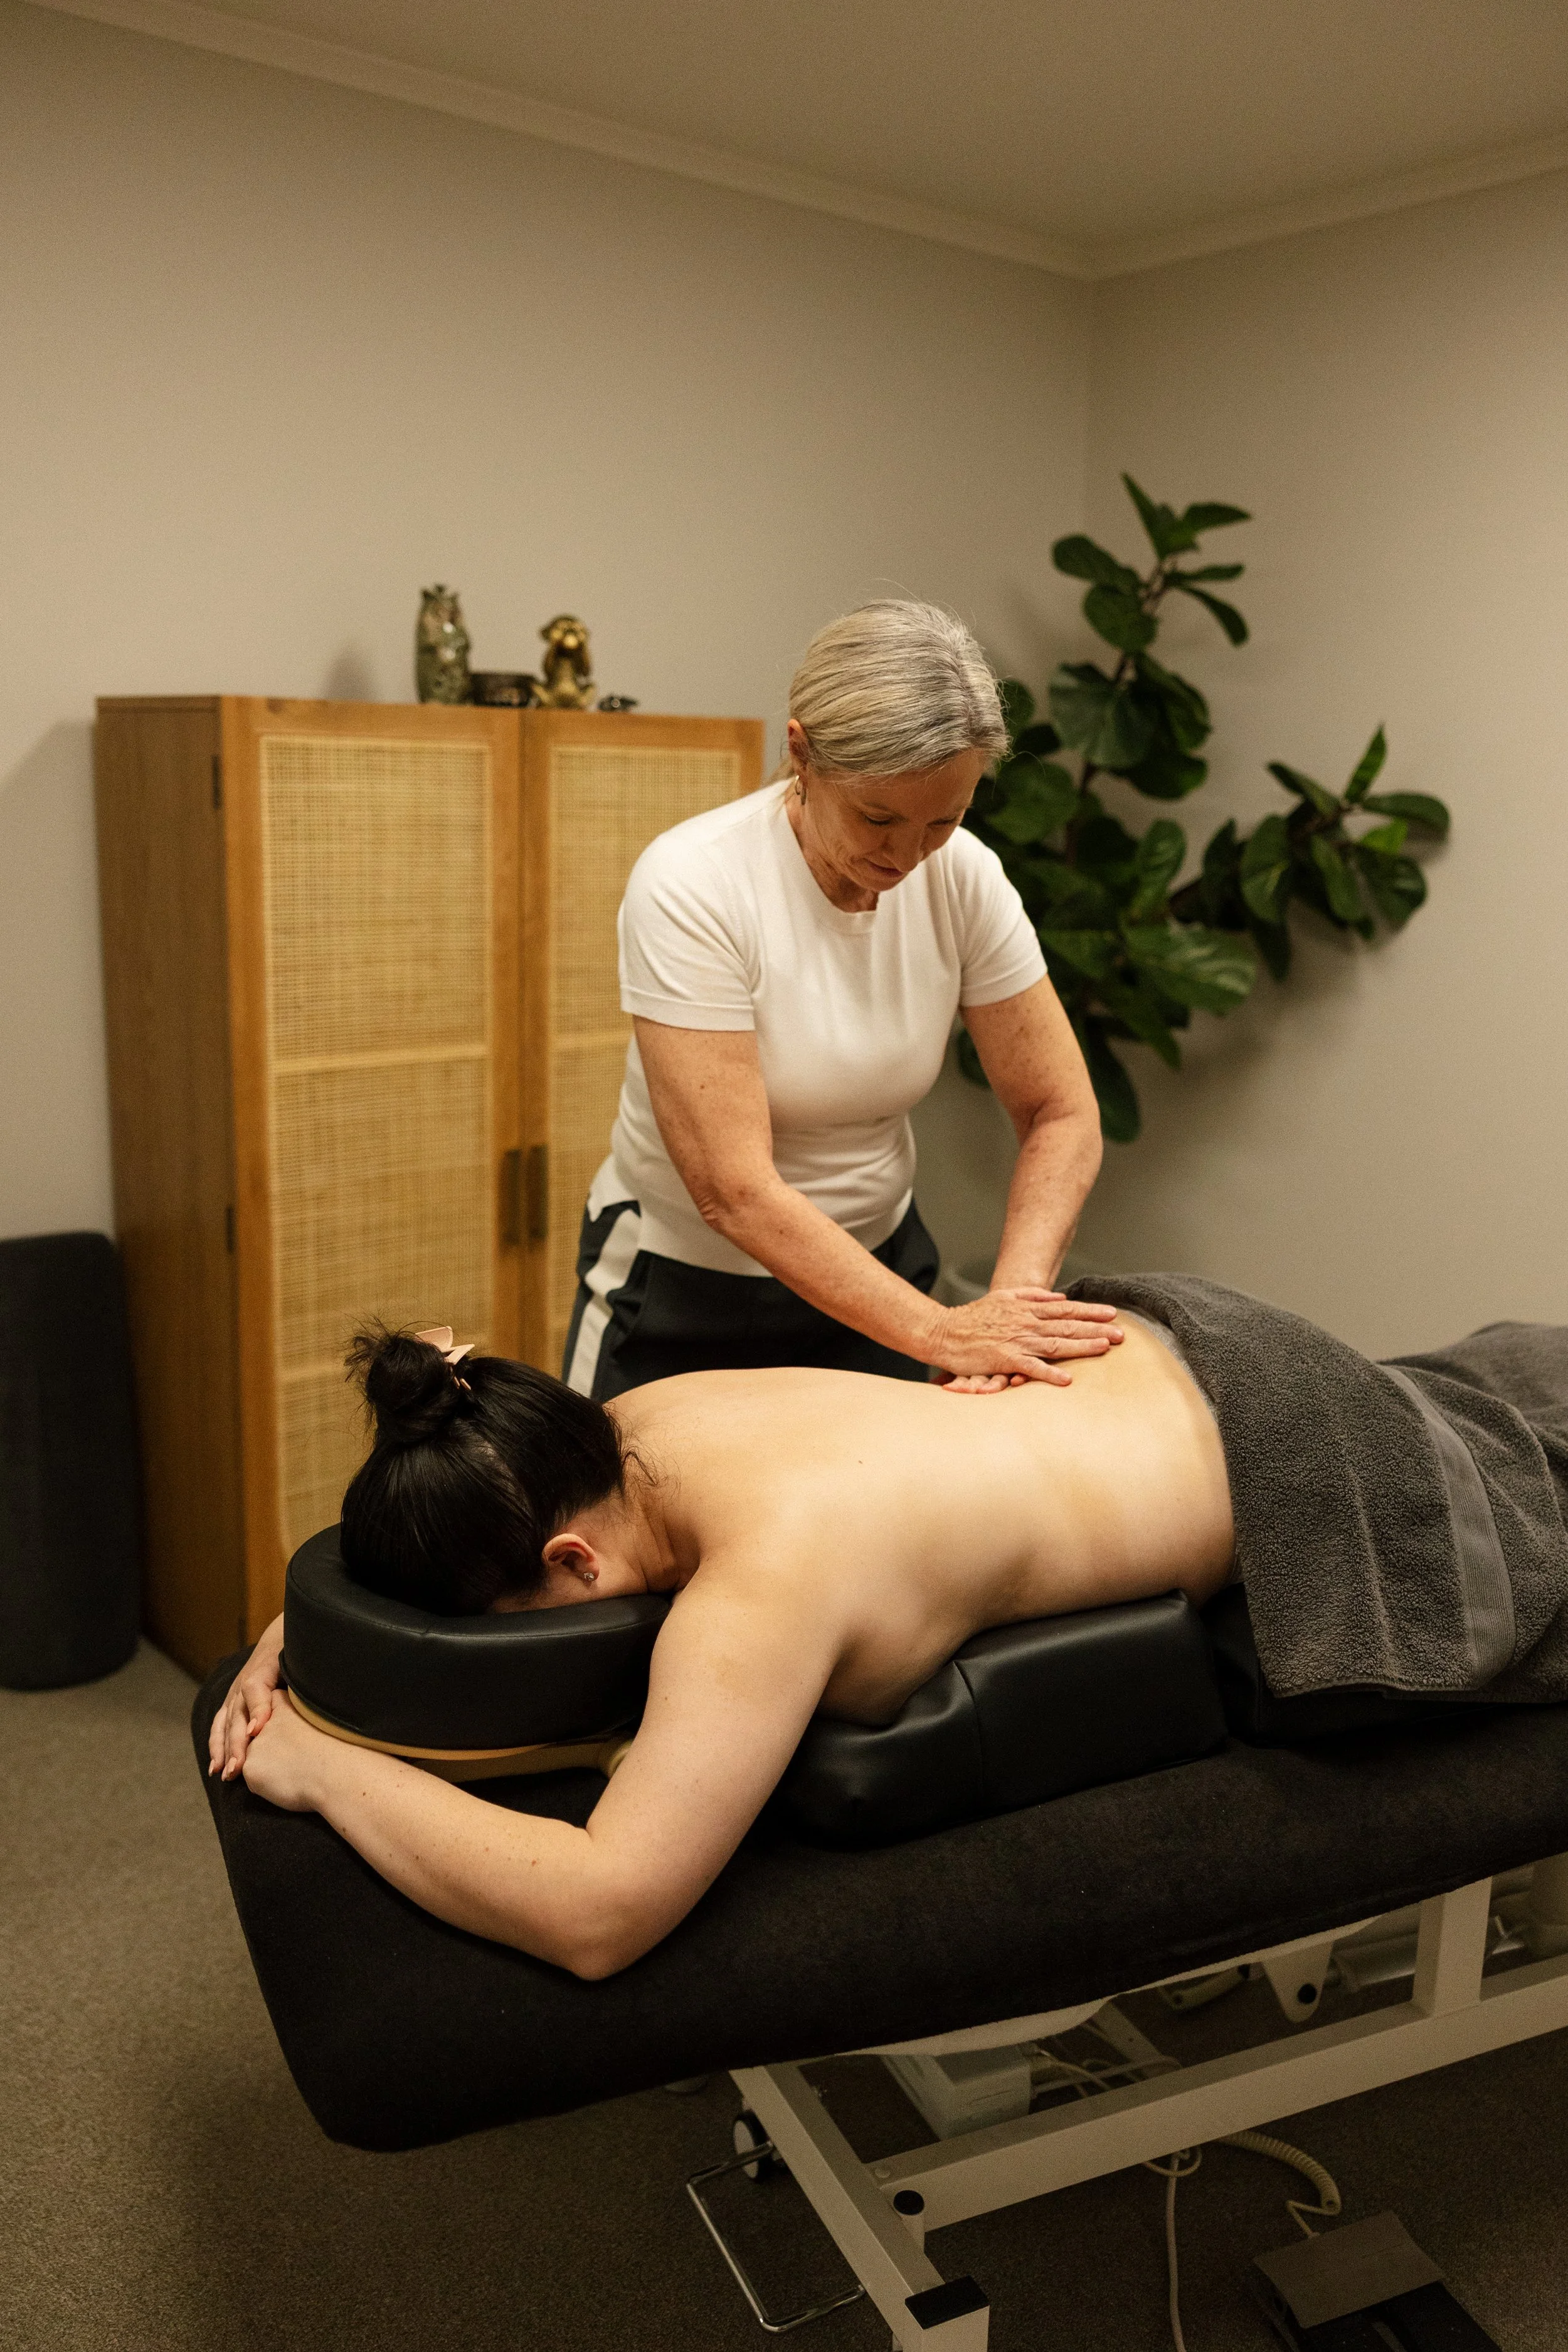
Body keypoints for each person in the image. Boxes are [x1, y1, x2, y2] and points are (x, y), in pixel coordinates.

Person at [211, 1314, 1232, 1978]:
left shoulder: (762, 1583)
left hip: (1277, 1458)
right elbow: (445, 1522)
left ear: (572, 1562)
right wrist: (299, 1635)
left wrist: (321, 1770)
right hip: (1155, 1344)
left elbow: (599, 1915)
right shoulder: (628, 1423)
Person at [564, 600, 1116, 1402]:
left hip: (880, 1281)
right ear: (802, 754)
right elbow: (734, 1190)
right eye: (877, 817)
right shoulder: (695, 882)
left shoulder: (962, 876)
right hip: (682, 1291)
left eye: (942, 821)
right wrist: (941, 1331)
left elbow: (1059, 1113)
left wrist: (1009, 1310)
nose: (905, 856)